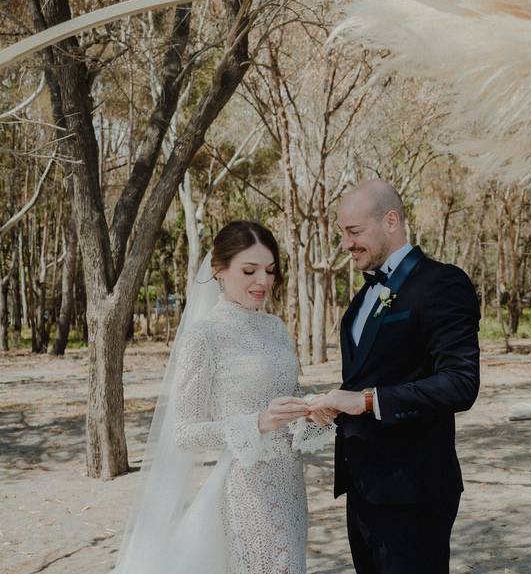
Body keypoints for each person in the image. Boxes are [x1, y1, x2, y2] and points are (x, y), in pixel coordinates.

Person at [114, 221, 333, 574]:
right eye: (249, 270)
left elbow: (287, 402)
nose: (262, 281)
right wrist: (257, 423)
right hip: (245, 490)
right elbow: (184, 432)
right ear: (219, 270)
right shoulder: (204, 338)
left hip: (291, 482)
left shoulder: (277, 329)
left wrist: (312, 413)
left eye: (270, 271)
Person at [308, 180, 481, 574]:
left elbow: (460, 383)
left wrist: (368, 399)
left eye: (353, 232)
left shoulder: (441, 283)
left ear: (391, 222)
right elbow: (369, 375)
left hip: (414, 493)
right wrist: (327, 406)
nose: (346, 244)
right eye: (342, 233)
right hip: (363, 489)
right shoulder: (359, 302)